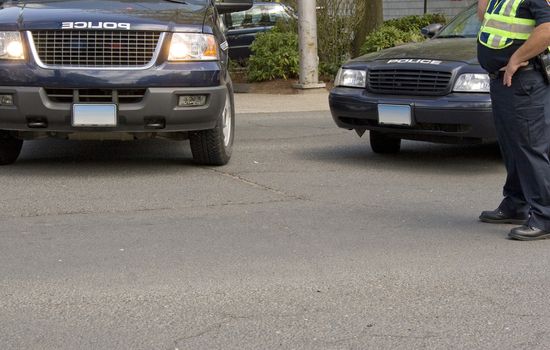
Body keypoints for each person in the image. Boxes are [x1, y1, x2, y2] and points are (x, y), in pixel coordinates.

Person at [477, 0, 550, 240]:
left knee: (530, 148)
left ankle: (544, 217)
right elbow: (483, 18)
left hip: (524, 81)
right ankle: (516, 203)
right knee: (511, 145)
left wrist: (516, 59)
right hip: (502, 82)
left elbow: (548, 28)